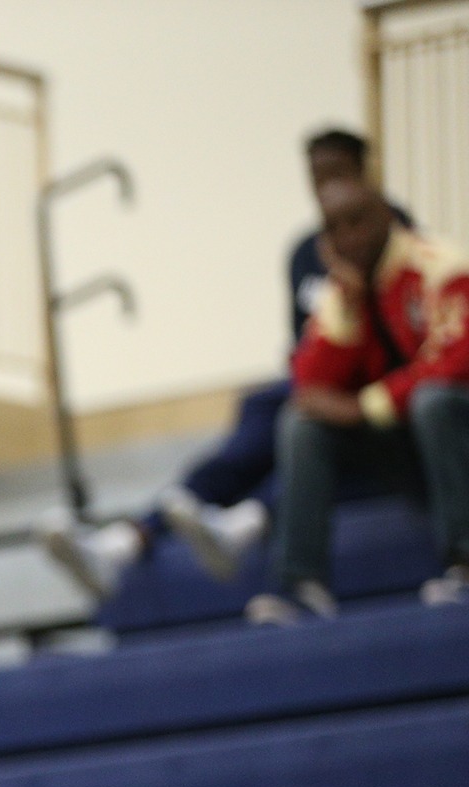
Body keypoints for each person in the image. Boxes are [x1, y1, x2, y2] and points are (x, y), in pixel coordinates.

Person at [41, 129, 411, 597]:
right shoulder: (307, 251)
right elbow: (305, 343)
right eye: (315, 180)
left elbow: (406, 337)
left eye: (336, 175)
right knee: (261, 412)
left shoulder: (400, 237)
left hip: (375, 393)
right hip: (323, 383)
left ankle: (245, 523)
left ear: (364, 175)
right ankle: (129, 539)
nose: (325, 192)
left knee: (305, 429)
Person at [251, 177, 469, 623]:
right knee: (301, 424)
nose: (348, 237)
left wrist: (367, 406)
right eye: (334, 228)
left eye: (358, 221)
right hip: (405, 441)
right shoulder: (340, 292)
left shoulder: (440, 265)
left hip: (455, 425)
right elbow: (310, 387)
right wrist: (350, 312)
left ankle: (464, 565)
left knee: (432, 402)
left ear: (387, 216)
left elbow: (456, 361)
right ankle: (303, 586)